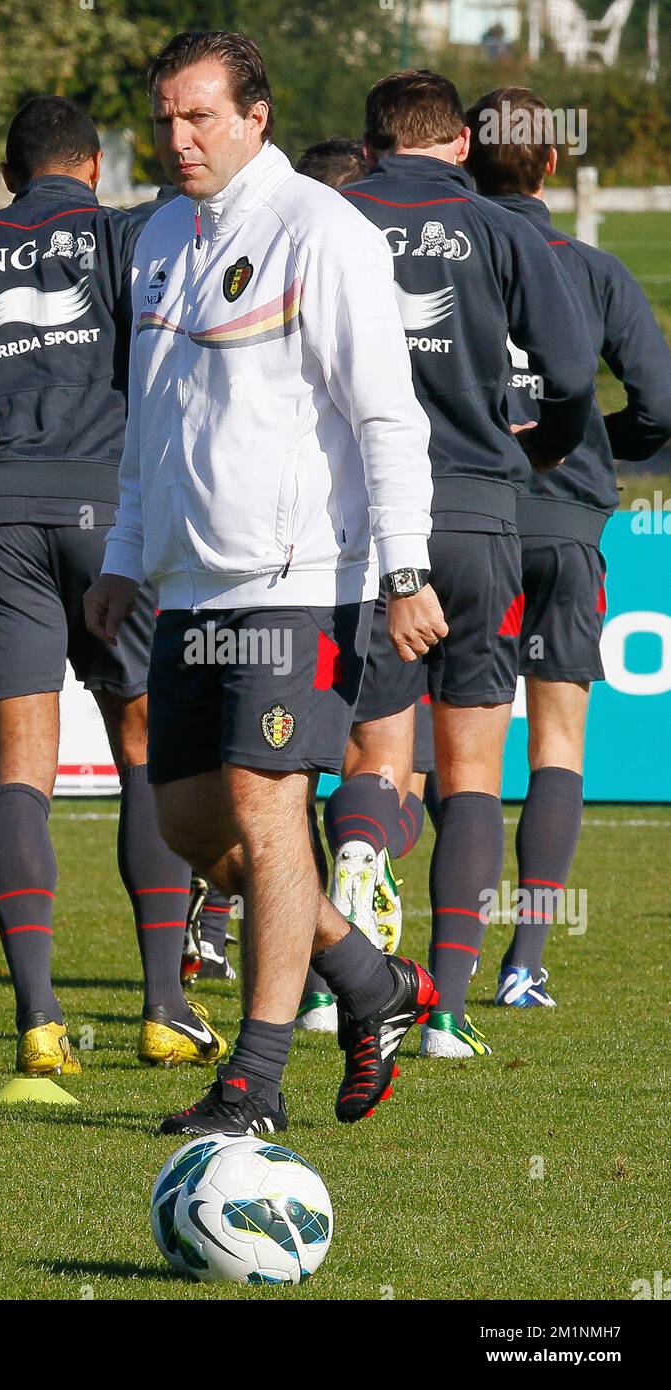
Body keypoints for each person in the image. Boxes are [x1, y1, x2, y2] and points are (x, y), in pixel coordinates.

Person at [86, 31, 445, 1136]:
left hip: (304, 579)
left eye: (198, 117)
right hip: (186, 587)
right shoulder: (155, 237)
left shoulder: (319, 231)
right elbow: (151, 426)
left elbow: (387, 414)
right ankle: (369, 978)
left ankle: (252, 1081)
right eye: (163, 119)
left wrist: (402, 567)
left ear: (255, 118)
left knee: (265, 802)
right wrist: (116, 560)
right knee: (197, 824)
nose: (177, 138)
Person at [0, 95, 227, 1078]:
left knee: (20, 767)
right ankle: (162, 1008)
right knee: (144, 750)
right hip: (114, 518)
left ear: (5, 173)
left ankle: (38, 1023)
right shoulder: (126, 237)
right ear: (93, 165)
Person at [338, 69, 596, 1058]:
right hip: (479, 511)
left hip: (360, 519)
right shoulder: (502, 228)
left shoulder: (325, 214)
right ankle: (442, 1009)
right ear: (456, 145)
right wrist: (541, 448)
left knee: (375, 757)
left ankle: (344, 969)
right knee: (474, 768)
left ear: (367, 146)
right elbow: (568, 374)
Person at [464, 86, 671, 1006]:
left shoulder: (442, 263)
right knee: (557, 747)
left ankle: (423, 962)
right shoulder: (591, 268)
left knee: (437, 753)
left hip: (462, 527)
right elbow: (660, 408)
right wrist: (593, 447)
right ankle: (525, 965)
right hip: (566, 530)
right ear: (551, 163)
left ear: (465, 155)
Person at [291, 132, 430, 1035]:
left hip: (276, 569)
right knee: (391, 765)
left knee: (278, 784)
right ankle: (359, 854)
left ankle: (312, 976)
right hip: (384, 553)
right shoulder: (371, 268)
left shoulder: (279, 261)